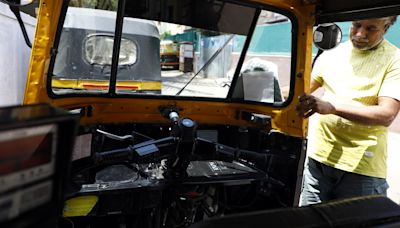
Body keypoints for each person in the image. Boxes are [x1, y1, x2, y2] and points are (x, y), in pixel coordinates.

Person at [296, 16, 400, 206]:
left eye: (371, 29)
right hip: (318, 161)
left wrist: (333, 108)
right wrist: (268, 90)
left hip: (360, 168)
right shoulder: (332, 53)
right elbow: (300, 90)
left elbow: (386, 115)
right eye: (356, 25)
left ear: (386, 27)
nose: (360, 34)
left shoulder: (395, 59)